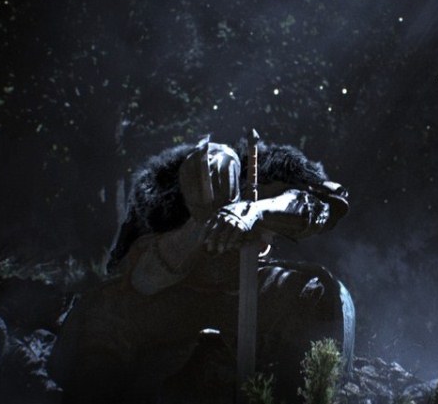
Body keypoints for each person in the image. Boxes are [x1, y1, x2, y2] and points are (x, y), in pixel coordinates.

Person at [49, 136, 355, 404]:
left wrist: (255, 212)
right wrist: (192, 234)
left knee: (319, 293)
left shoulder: (268, 172)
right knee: (103, 310)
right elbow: (134, 276)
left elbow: (325, 205)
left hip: (246, 290)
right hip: (176, 297)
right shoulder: (157, 196)